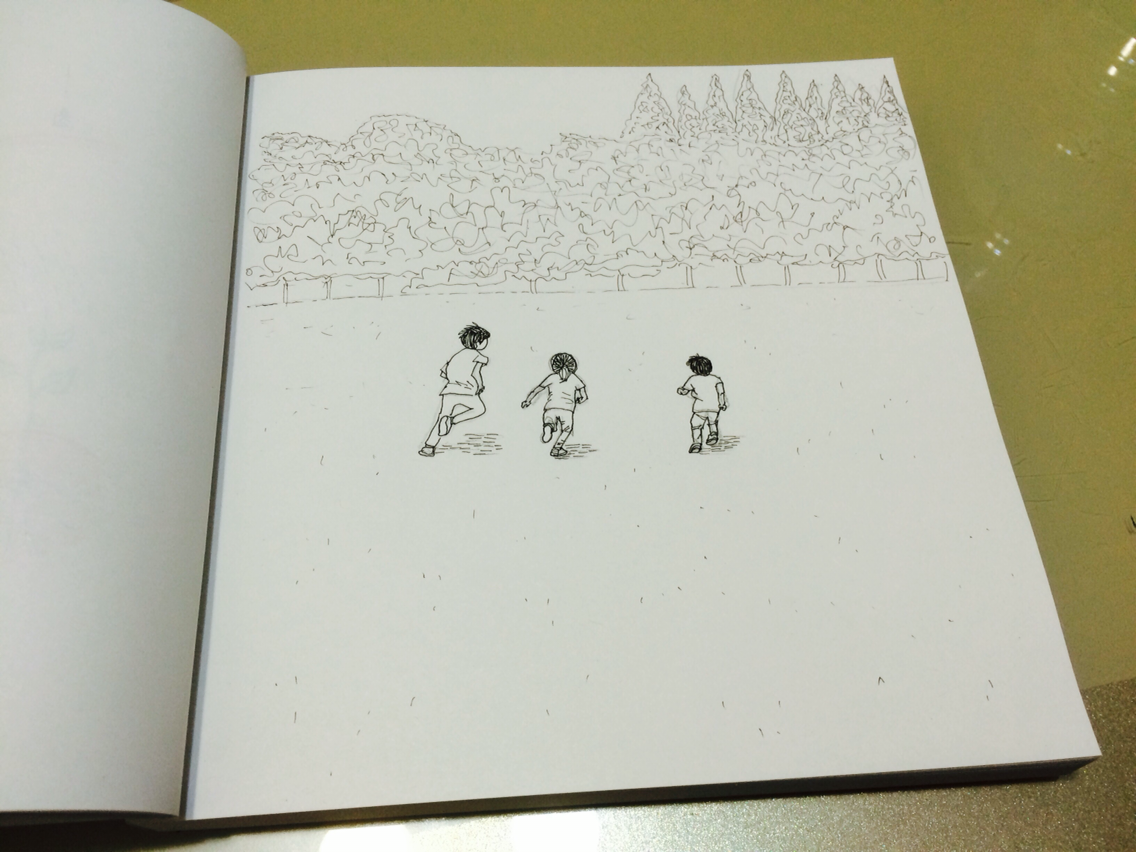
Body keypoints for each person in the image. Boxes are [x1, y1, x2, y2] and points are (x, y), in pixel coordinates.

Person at [419, 323, 490, 457]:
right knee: (479, 409)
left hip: (449, 390)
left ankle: (428, 447)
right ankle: (452, 421)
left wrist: (455, 379)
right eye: (485, 340)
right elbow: (476, 373)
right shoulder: (478, 356)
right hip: (468, 390)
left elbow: (443, 373)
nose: (486, 343)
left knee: (441, 417)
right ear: (478, 342)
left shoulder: (456, 356)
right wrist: (480, 386)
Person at [521, 352, 587, 458]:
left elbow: (537, 390)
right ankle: (556, 449)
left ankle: (548, 427)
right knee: (567, 429)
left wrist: (527, 401)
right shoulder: (575, 379)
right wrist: (579, 400)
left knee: (549, 421)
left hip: (550, 409)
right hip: (566, 410)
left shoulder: (551, 377)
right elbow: (584, 397)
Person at [677, 354, 727, 453]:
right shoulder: (716, 379)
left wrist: (680, 391)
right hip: (714, 408)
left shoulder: (693, 379)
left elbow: (685, 390)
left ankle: (697, 443)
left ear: (694, 369)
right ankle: (713, 434)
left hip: (700, 408)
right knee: (712, 422)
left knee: (696, 425)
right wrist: (722, 404)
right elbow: (721, 393)